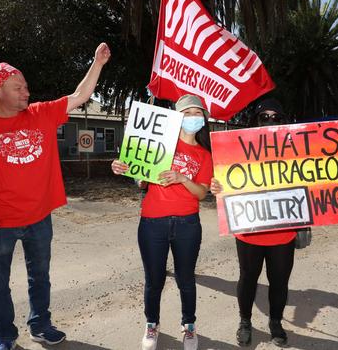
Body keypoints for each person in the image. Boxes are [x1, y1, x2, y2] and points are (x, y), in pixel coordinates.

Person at [0, 43, 111, 350]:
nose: (26, 92)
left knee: (40, 277)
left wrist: (97, 63)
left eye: (26, 87)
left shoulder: (40, 114)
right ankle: (5, 337)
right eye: (18, 87)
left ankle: (41, 326)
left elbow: (80, 96)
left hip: (39, 217)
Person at [111, 94, 212, 350]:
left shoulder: (204, 155)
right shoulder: (157, 144)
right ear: (177, 118)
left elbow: (201, 193)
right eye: (187, 113)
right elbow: (141, 179)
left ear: (204, 119)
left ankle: (189, 326)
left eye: (197, 113)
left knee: (186, 279)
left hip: (188, 224)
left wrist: (181, 177)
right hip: (152, 223)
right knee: (154, 279)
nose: (192, 118)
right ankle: (151, 324)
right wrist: (125, 167)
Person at [210, 98, 296, 347]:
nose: (270, 121)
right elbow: (226, 179)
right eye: (263, 117)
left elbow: (322, 174)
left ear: (284, 121)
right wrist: (217, 186)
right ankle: (245, 321)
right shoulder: (238, 148)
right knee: (248, 278)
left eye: (276, 117)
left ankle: (275, 323)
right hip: (249, 230)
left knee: (279, 282)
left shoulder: (296, 149)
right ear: (254, 121)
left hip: (283, 232)